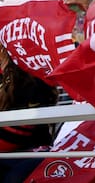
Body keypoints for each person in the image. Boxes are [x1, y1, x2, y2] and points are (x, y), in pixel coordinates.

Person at [0, 45, 59, 183]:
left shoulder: (33, 82)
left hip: (31, 150)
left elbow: (17, 132)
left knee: (13, 177)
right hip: (13, 151)